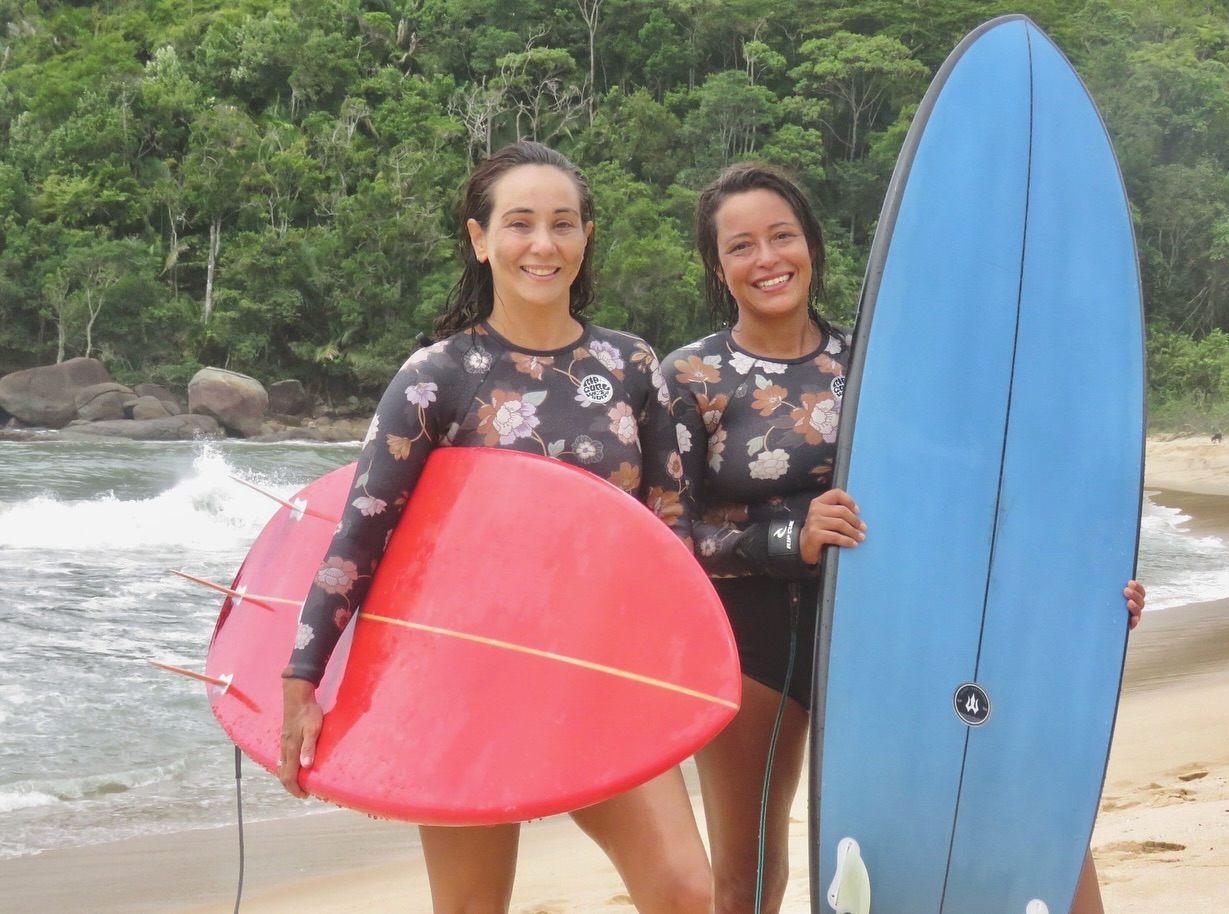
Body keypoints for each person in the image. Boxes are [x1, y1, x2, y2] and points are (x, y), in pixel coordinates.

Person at [656, 162, 1146, 914]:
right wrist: (791, 538)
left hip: (897, 634)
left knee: (935, 839)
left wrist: (1087, 590)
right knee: (747, 875)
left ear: (811, 245)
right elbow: (670, 536)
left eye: (782, 236)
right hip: (752, 642)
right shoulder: (690, 375)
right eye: (742, 246)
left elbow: (983, 497)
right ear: (718, 267)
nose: (767, 259)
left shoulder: (883, 363)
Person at [275, 140, 711, 914]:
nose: (543, 245)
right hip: (469, 674)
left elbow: (668, 533)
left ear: (585, 237)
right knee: (473, 908)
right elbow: (360, 536)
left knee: (682, 890)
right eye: (519, 224)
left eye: (563, 224)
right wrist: (301, 679)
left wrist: (679, 673)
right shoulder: (436, 376)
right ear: (480, 239)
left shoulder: (632, 366)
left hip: (596, 668)